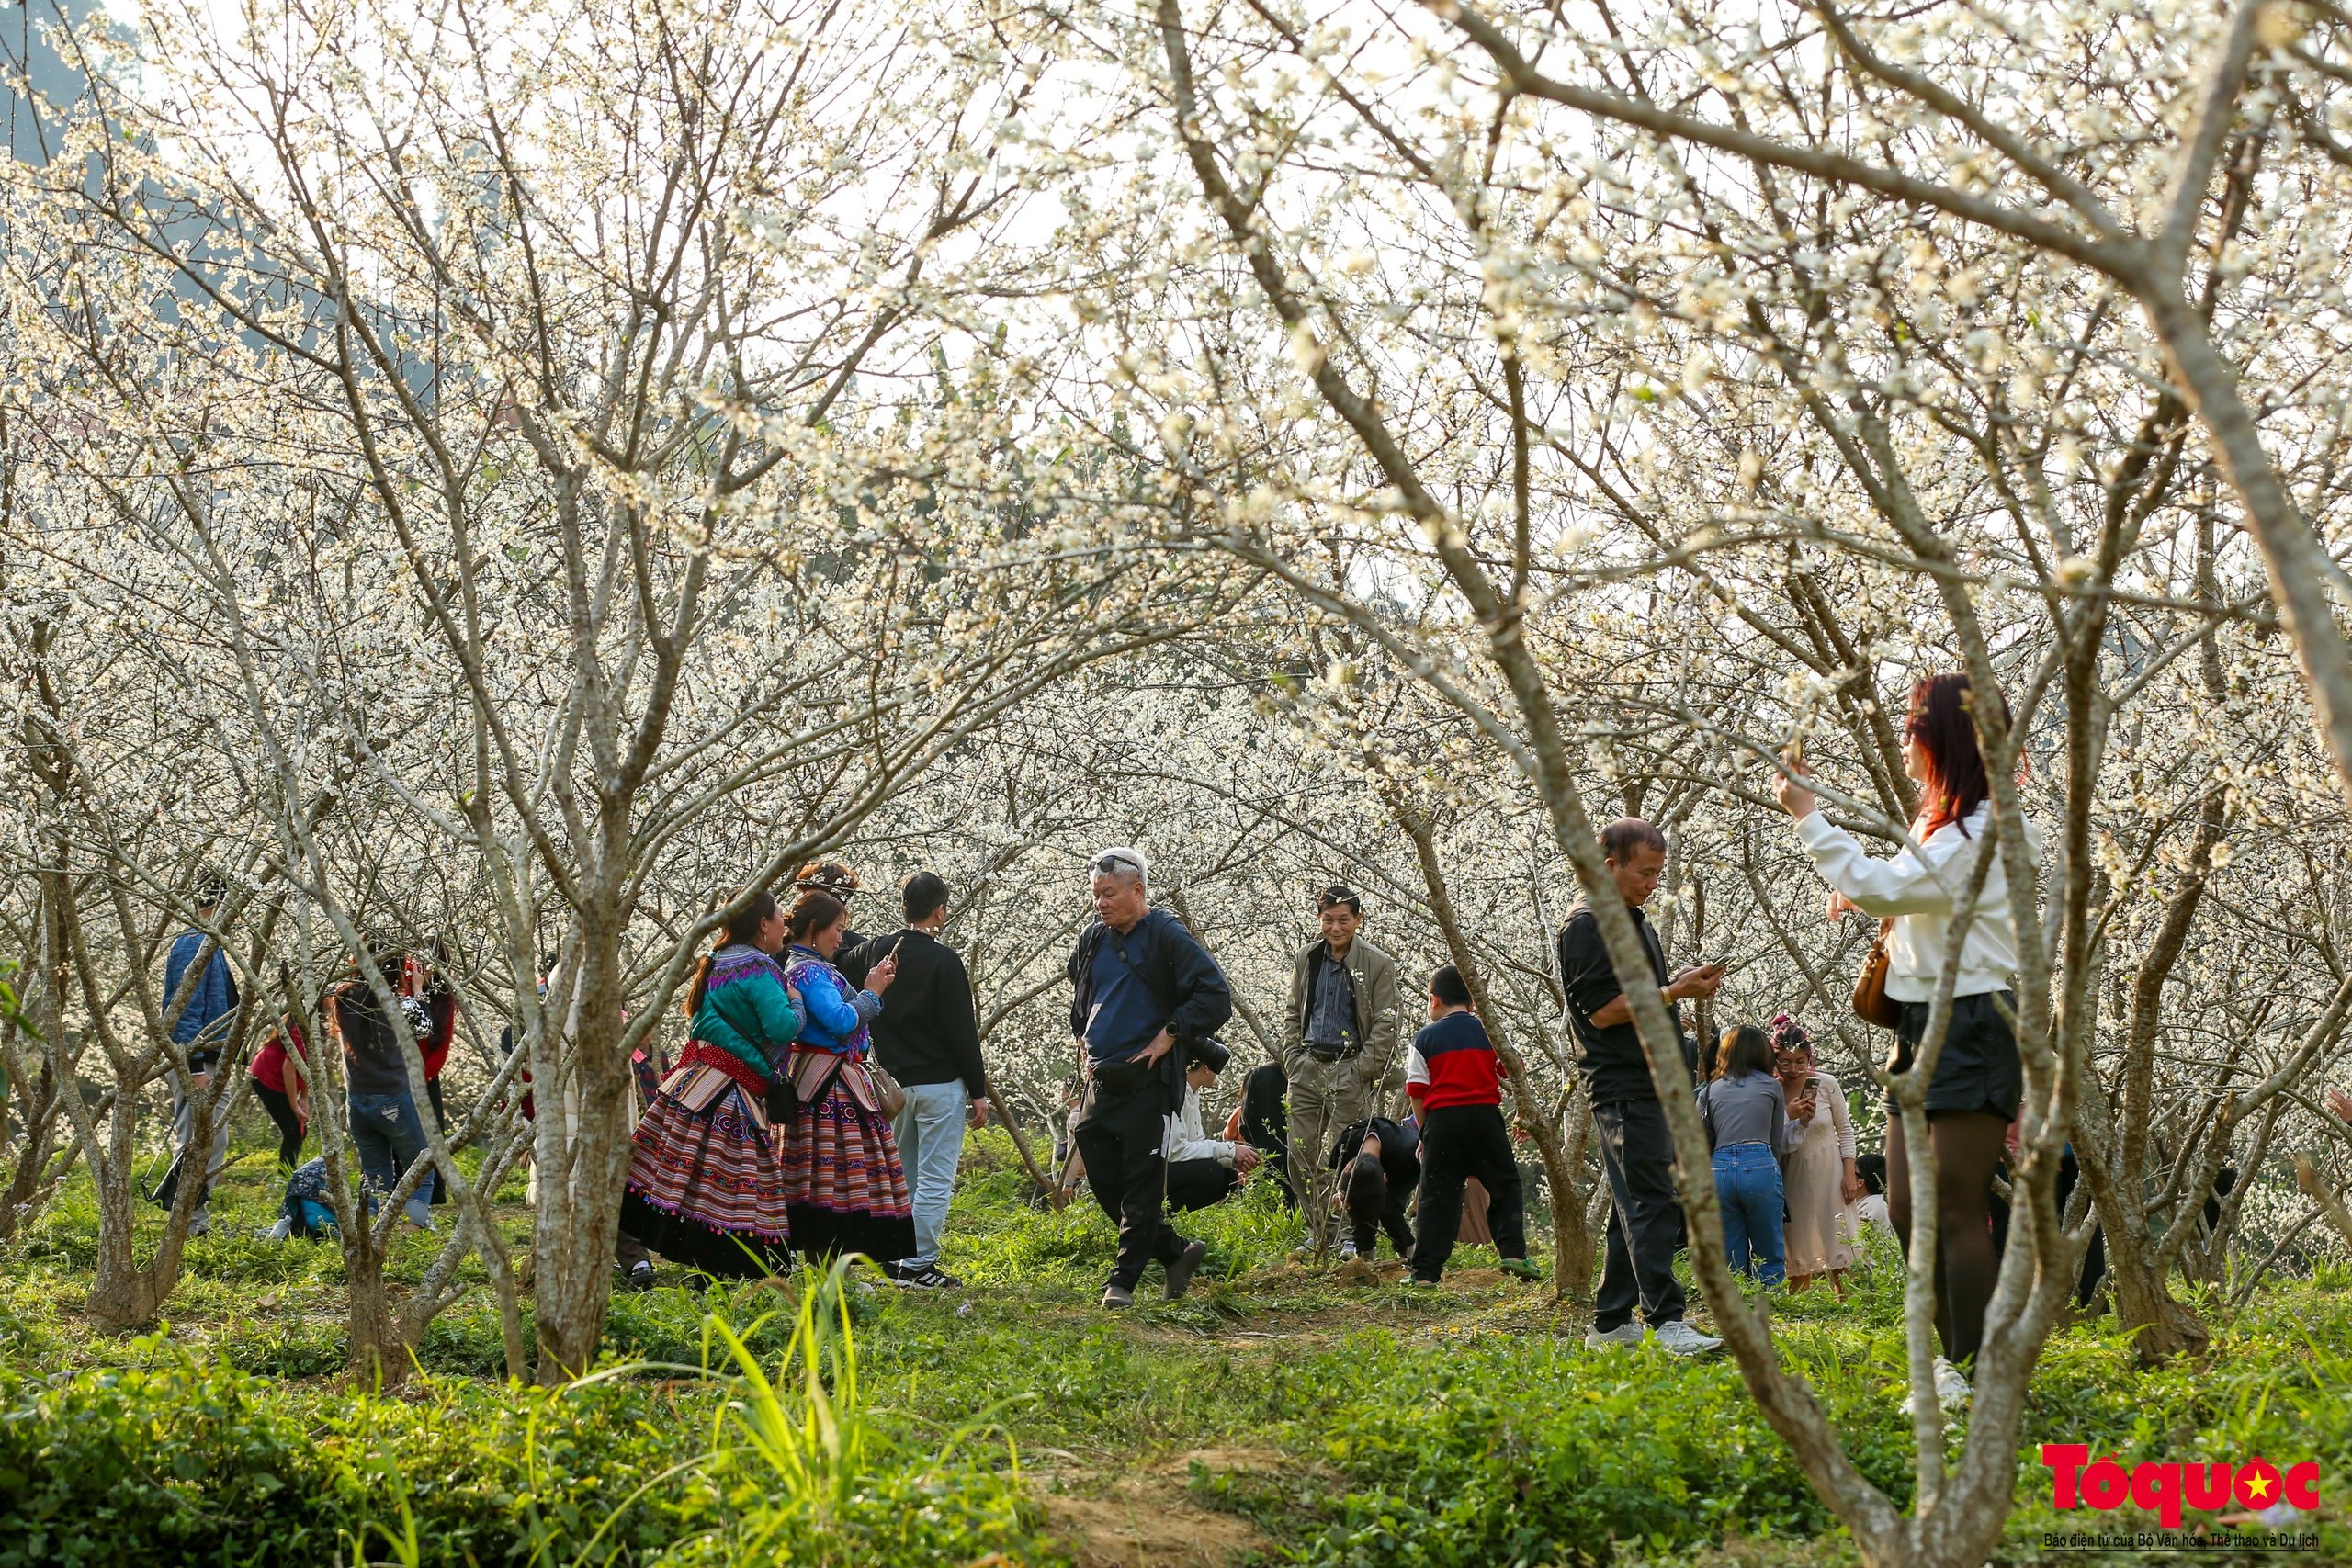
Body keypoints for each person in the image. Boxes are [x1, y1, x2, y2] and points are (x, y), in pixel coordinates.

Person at [1775, 670, 2041, 1410]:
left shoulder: (1991, 828)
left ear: (1943, 739)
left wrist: (1809, 817)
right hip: (1921, 1023)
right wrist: (1874, 886)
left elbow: (1893, 886)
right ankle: (1952, 1366)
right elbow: (1897, 885)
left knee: (1955, 1203)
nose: (1903, 742)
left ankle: (1976, 1372)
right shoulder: (1946, 823)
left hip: (1975, 1023)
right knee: (1905, 1206)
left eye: (1912, 728)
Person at [1558, 818, 1725, 1356]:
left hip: (1654, 1080)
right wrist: (1673, 991)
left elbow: (1647, 996)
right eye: (1645, 873)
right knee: (1652, 1197)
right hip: (1622, 1084)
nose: (1653, 883)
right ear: (1610, 867)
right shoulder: (1586, 926)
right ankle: (1666, 1319)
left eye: (1657, 873)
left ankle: (1610, 1322)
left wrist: (1681, 988)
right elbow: (1604, 1012)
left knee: (1634, 1199)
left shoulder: (1634, 921)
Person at [1064, 846, 1234, 1308]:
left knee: (1141, 1182)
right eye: (1096, 894)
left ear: (1137, 890)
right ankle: (1175, 1251)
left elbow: (1216, 996)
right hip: (1101, 1078)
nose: (1100, 903)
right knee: (1101, 1173)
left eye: (1110, 894)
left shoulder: (1165, 934)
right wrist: (1083, 1040)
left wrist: (1170, 1034)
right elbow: (1081, 993)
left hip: (1148, 1081)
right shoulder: (1092, 939)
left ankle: (1122, 1283)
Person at [619, 889, 803, 1279]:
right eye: (778, 917)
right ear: (763, 924)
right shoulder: (760, 967)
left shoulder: (715, 961)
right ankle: (728, 1266)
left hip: (693, 1083)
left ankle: (694, 1261)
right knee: (736, 1181)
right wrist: (796, 1000)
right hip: (730, 1092)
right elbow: (782, 1026)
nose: (784, 925)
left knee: (688, 1172)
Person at [839, 872, 991, 1290]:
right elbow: (962, 1032)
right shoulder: (945, 961)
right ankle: (918, 1263)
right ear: (939, 911)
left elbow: (837, 956)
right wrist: (978, 1092)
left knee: (901, 1174)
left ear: (903, 906)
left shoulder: (873, 953)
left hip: (893, 1085)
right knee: (936, 1177)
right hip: (941, 1085)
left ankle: (891, 1257)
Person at [778, 890, 917, 1264]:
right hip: (830, 1088)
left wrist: (873, 984)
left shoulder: (810, 968)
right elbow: (840, 1021)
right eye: (837, 929)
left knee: (822, 1177)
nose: (842, 938)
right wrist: (872, 991)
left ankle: (830, 1268)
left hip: (823, 1081)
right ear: (814, 928)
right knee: (833, 1179)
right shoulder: (808, 972)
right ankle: (831, 1270)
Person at [1282, 886, 1402, 1252]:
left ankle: (1351, 1235)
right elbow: (1292, 1013)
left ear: (1358, 920)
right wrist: (1292, 1058)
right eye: (1328, 919)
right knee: (1299, 1154)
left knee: (1348, 1157)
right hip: (1307, 1066)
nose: (1336, 927)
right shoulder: (1307, 958)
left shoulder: (1377, 963)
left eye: (1344, 920)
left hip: (1350, 1067)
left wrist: (1361, 1070)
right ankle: (1321, 1233)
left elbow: (1387, 1024)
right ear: (1319, 920)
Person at [1405, 964, 1540, 1287]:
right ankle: (1513, 1253)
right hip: (1484, 1119)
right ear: (1473, 1003)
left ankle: (1425, 1273)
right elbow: (1516, 1070)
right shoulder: (1488, 1032)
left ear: (1433, 1000)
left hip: (1443, 1122)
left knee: (1437, 1196)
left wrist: (1426, 1134)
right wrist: (1522, 1112)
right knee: (1505, 1185)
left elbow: (1417, 1093)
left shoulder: (1423, 1038)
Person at [151, 874, 242, 1233]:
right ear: (220, 903)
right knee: (200, 1140)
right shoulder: (194, 943)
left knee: (207, 1139)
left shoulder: (208, 942)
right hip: (196, 1060)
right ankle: (188, 1218)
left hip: (207, 1059)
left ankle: (191, 1216)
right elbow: (183, 1007)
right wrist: (192, 1067)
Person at [330, 943, 437, 1231]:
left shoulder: (342, 998)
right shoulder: (397, 1003)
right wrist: (418, 988)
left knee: (376, 1175)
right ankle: (412, 1231)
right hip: (394, 1099)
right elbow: (425, 1028)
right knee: (421, 1168)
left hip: (357, 1100)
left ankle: (374, 1231)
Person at [1698, 1024, 1803, 1286]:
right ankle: (1769, 1300)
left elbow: (1696, 1137)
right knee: (1768, 1245)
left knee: (1729, 1247)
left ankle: (1734, 1299)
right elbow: (1775, 1139)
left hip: (1718, 1168)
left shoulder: (1710, 1090)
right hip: (1759, 1162)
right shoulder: (1771, 1087)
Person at [1771, 1017, 1860, 1296]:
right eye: (1786, 1061)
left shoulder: (1826, 1084)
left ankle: (1847, 1300)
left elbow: (1844, 1130)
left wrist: (1849, 1173)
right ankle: (1798, 1309)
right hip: (1791, 1171)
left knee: (1836, 1235)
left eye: (1801, 1060)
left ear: (1809, 1057)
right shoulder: (1771, 1089)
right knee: (1797, 1239)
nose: (1794, 1068)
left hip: (1830, 1168)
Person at [1161, 1055, 1261, 1212]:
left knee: (1228, 1177)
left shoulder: (1192, 1095)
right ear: (1206, 1068)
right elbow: (1174, 1151)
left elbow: (1196, 1144)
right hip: (1153, 1172)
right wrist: (1231, 1150)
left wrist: (1232, 1161)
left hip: (1170, 1171)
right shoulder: (1175, 1093)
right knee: (1211, 1172)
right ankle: (1157, 1216)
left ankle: (1166, 1221)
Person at [1329, 1112, 1419, 1264]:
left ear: (1385, 1178)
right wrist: (1341, 1193)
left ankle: (1410, 1251)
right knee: (1358, 1205)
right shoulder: (1345, 1147)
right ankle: (1365, 1254)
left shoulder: (1411, 1152)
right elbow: (1348, 1189)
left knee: (1389, 1208)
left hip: (1404, 1162)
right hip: (1364, 1162)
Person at [1224, 1059, 1294, 1207]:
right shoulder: (1289, 1081)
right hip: (1288, 1160)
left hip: (1260, 1162)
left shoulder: (1257, 1084)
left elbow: (1243, 1127)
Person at [248, 1012, 311, 1168]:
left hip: (279, 1079)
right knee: (293, 1130)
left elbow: (311, 1064)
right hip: (267, 1078)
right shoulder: (300, 1030)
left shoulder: (316, 1028)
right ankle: (285, 1178)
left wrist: (303, 1096)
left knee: (299, 1130)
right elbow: (288, 1067)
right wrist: (294, 1106)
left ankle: (288, 1173)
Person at [795, 862, 868, 948]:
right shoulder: (781, 941)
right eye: (806, 898)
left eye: (819, 901)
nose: (810, 905)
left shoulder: (856, 949)